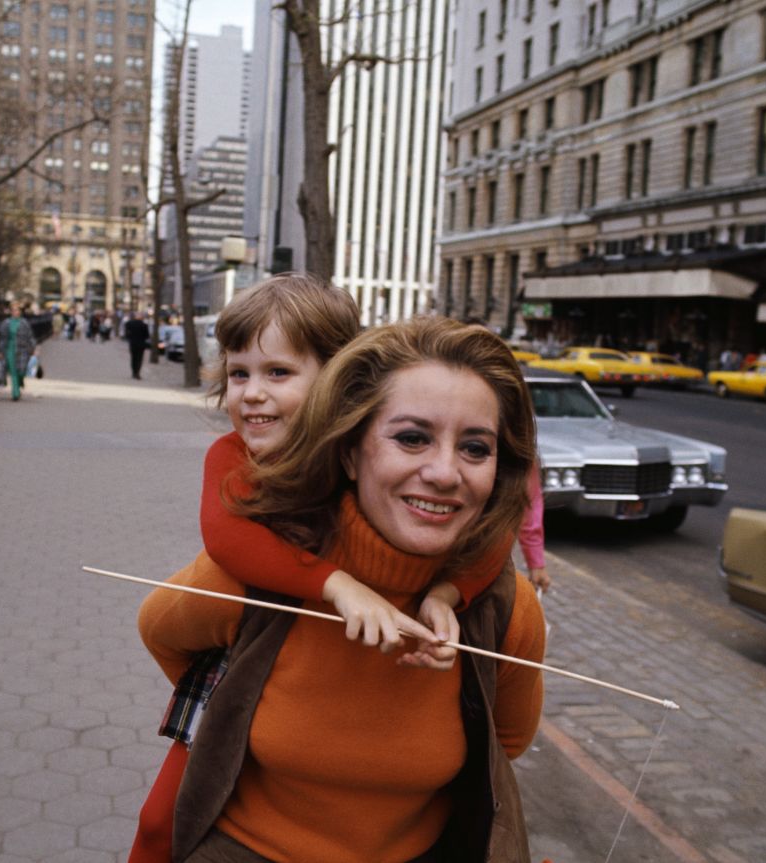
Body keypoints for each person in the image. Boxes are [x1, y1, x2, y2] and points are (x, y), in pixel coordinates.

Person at [138, 316, 546, 863]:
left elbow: (508, 742)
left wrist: (447, 595)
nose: (446, 473)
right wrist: (237, 702)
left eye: (475, 448)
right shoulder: (256, 572)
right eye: (412, 438)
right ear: (350, 452)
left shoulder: (506, 607)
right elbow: (160, 633)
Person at [0, 301, 36, 402]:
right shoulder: (6, 323)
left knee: (21, 371)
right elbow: (3, 338)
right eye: (13, 310)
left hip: (23, 350)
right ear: (11, 312)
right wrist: (0, 351)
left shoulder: (24, 323)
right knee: (13, 371)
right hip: (10, 349)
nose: (15, 312)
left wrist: (32, 348)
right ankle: (15, 393)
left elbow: (30, 336)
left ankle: (20, 381)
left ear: (20, 312)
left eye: (17, 310)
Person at [125, 312, 150, 379]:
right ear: (141, 317)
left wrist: (130, 338)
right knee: (139, 359)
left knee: (133, 358)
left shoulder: (129, 323)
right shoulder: (144, 325)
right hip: (141, 344)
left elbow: (127, 334)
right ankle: (137, 372)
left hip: (133, 343)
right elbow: (147, 336)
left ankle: (134, 372)